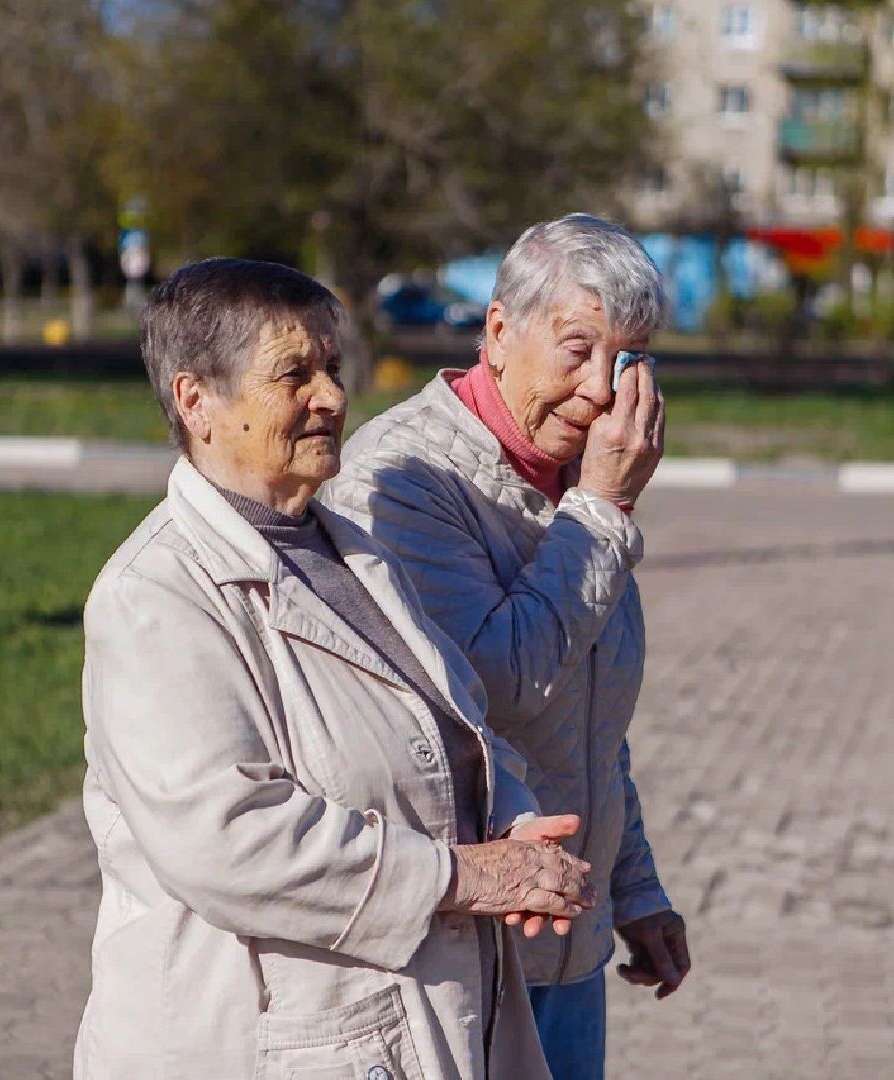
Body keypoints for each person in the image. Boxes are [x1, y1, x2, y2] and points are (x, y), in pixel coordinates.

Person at [75, 257, 594, 1079]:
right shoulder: (155, 598)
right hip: (262, 1039)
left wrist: (511, 820)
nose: (331, 396)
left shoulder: (348, 547)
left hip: (405, 1021)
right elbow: (231, 838)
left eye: (331, 366)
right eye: (294, 374)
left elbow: (444, 728)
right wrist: (462, 876)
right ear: (194, 399)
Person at [325, 214, 689, 1080]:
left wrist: (631, 888)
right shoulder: (406, 480)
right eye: (576, 349)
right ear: (498, 332)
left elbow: (589, 716)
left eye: (628, 359)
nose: (602, 390)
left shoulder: (572, 477)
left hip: (568, 937)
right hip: (464, 949)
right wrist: (601, 510)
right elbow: (499, 686)